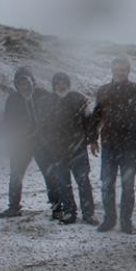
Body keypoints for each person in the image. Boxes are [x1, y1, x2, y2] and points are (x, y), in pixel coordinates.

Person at [90, 56, 136, 234]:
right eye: (116, 70)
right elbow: (96, 117)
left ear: (128, 71)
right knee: (107, 184)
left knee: (128, 186)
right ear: (112, 70)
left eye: (123, 70)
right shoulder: (104, 91)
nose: (119, 73)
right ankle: (109, 219)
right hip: (108, 144)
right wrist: (92, 139)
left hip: (129, 147)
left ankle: (126, 221)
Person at [0, 67, 61, 218]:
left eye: (26, 81)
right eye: (19, 83)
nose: (23, 86)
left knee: (50, 175)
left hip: (43, 144)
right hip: (22, 144)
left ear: (32, 81)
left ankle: (57, 208)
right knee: (16, 175)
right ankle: (13, 207)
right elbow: (8, 122)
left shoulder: (43, 95)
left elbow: (54, 118)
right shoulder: (12, 99)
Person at [49, 72, 97, 226]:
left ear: (68, 84)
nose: (60, 85)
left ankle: (88, 214)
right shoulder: (50, 102)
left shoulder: (79, 99)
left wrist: (92, 139)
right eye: (57, 83)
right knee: (63, 183)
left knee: (83, 181)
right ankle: (70, 212)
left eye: (63, 82)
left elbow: (90, 121)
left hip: (78, 148)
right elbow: (44, 126)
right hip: (58, 150)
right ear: (54, 85)